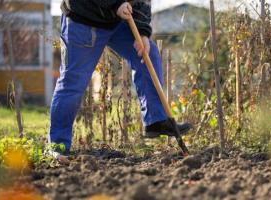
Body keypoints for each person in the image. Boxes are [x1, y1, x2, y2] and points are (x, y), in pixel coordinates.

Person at [48, 0, 191, 159]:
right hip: (84, 17)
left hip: (116, 21)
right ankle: (58, 145)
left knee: (147, 53)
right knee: (73, 81)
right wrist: (115, 4)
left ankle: (155, 120)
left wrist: (142, 32)